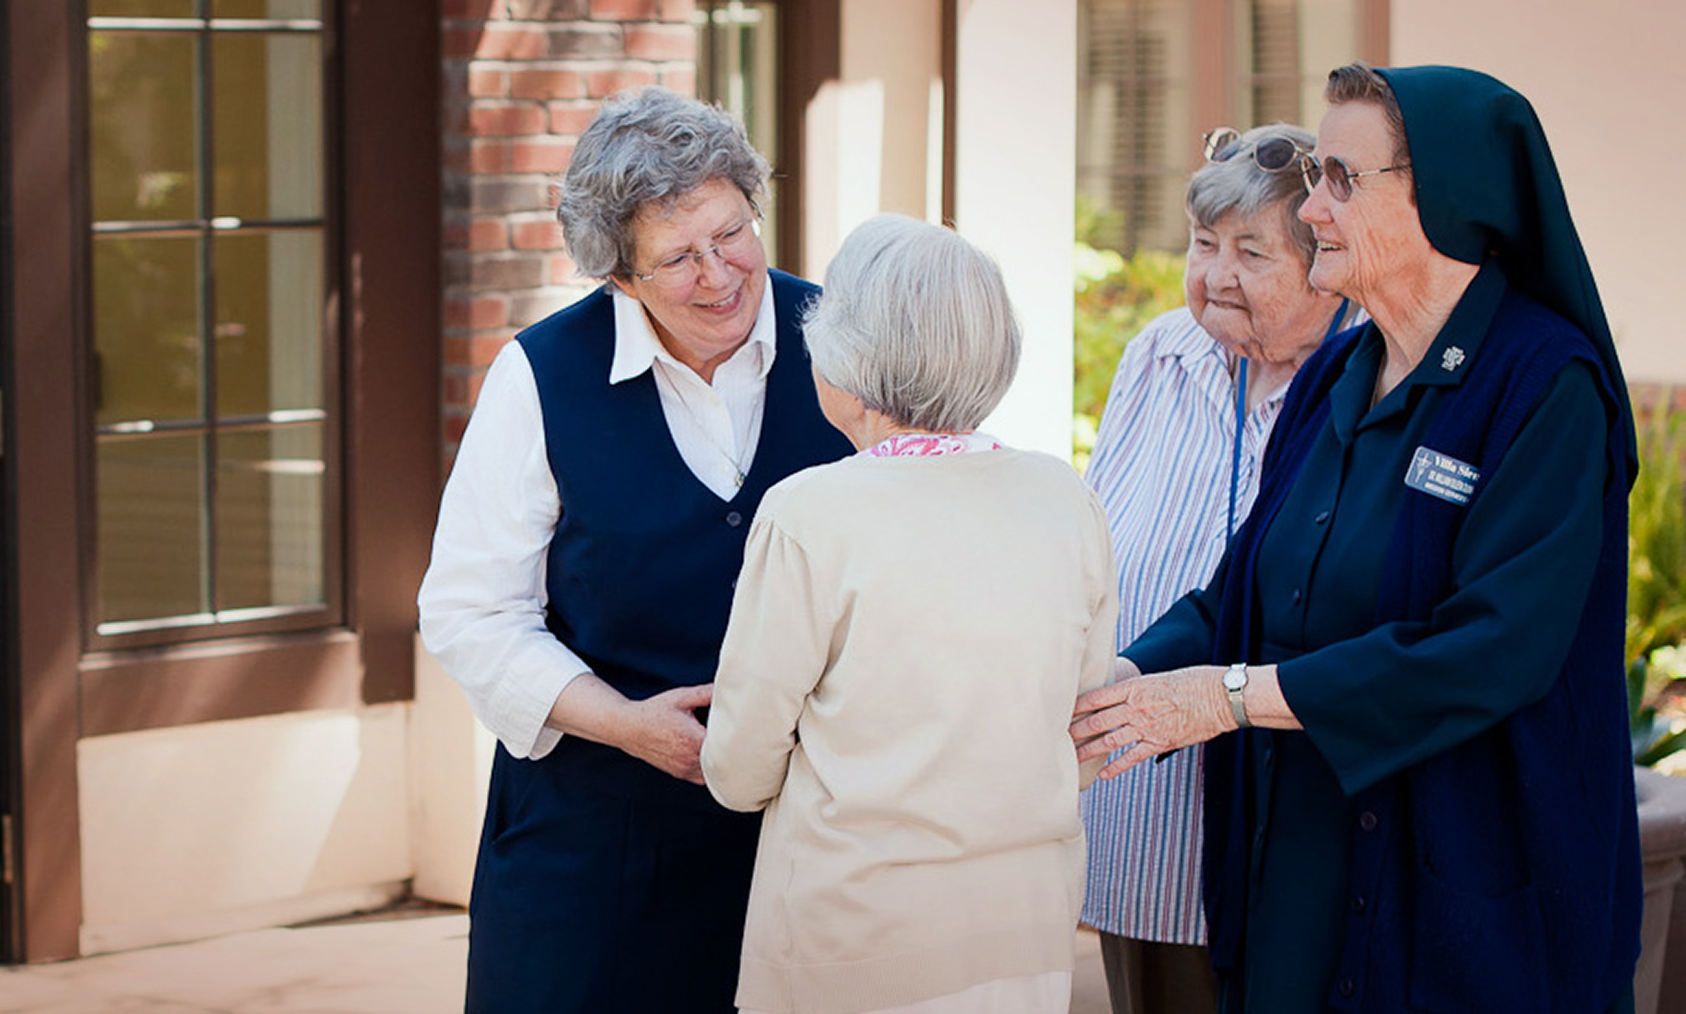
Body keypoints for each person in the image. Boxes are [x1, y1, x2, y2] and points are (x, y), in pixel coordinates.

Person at [1072, 63, 1642, 1014]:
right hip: (1301, 883)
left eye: (1340, 179)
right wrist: (1131, 681)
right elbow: (1244, 584)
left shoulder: (1546, 386)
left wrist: (1232, 697)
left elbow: (1492, 651)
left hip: (1467, 905)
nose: (1312, 212)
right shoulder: (1342, 364)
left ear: (1447, 201)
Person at [418, 87, 853, 1014]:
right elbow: (469, 610)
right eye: (678, 258)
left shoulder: (847, 342)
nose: (721, 274)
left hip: (804, 836)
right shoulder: (540, 377)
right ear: (617, 276)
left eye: (732, 233)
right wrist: (625, 723)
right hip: (592, 843)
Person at [700, 213, 1119, 1014]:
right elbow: (1084, 728)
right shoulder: (1066, 498)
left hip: (853, 940)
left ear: (845, 358)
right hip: (1023, 928)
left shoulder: (810, 513)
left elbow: (739, 765)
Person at [1078, 122, 1351, 1014]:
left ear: (1325, 260)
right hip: (1129, 788)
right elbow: (1097, 530)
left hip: (1266, 789)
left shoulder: (1361, 380)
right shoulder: (1160, 350)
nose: (1215, 275)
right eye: (1203, 244)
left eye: (1250, 252)